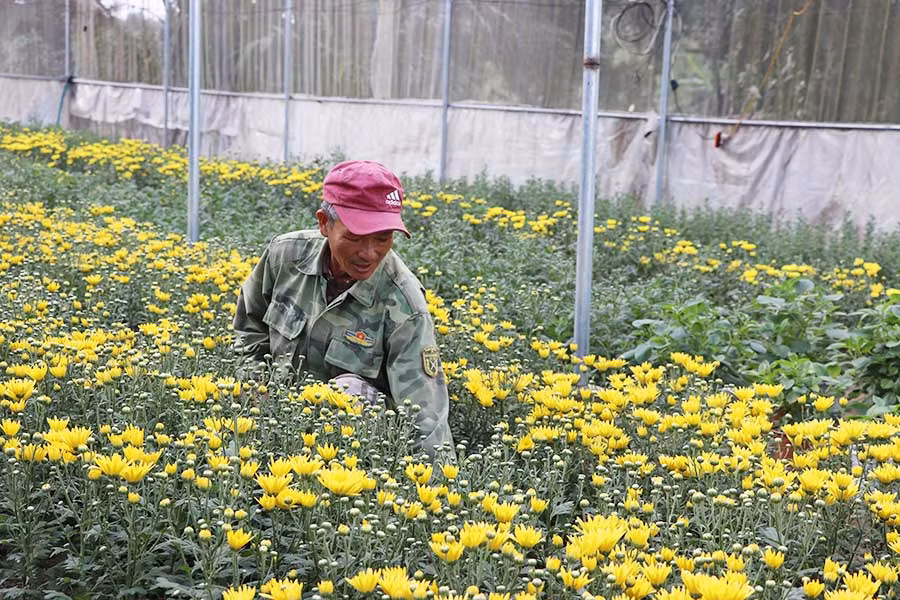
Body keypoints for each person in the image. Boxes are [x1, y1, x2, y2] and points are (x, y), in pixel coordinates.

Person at [232, 160, 454, 462]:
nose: (369, 252)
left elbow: (426, 418)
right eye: (355, 237)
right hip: (276, 417)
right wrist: (255, 386)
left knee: (346, 392)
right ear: (324, 223)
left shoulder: (404, 304)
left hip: (352, 450)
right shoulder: (284, 258)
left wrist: (437, 493)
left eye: (383, 238)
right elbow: (249, 327)